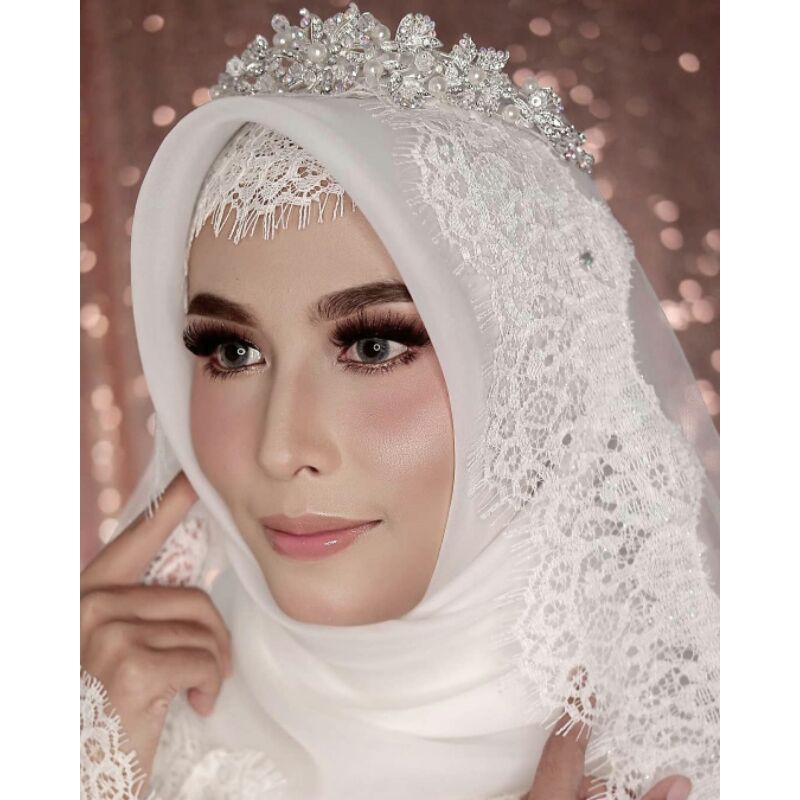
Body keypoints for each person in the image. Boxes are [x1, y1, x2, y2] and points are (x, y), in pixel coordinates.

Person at [80, 4, 720, 799]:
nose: (280, 448)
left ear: (529, 375)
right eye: (233, 352)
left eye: (374, 347)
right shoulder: (114, 717)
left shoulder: (713, 747)